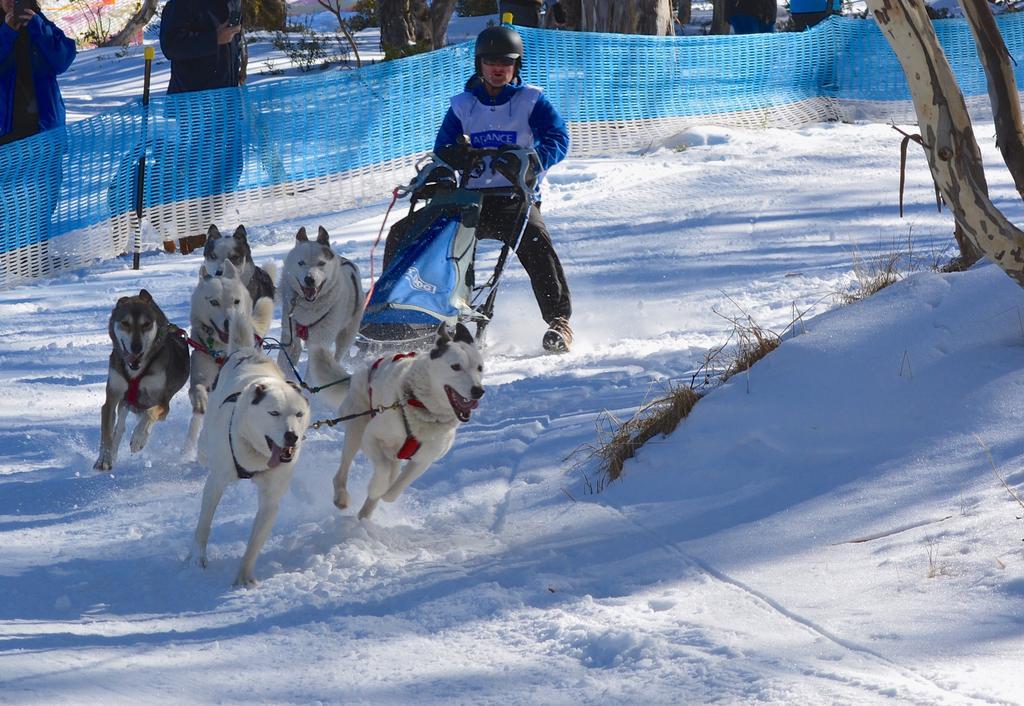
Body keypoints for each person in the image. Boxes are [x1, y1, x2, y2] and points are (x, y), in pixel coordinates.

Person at [385, 24, 574, 353]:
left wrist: (532, 161)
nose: (498, 69)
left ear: (516, 66)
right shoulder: (463, 105)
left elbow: (559, 138)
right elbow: (442, 150)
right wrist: (448, 164)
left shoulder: (531, 101)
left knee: (536, 241)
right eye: (490, 62)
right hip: (469, 200)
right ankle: (398, 314)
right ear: (479, 65)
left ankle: (559, 321)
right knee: (406, 233)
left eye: (506, 62)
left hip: (516, 198)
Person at [0, 0, 76, 146]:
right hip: (6, 133)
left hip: (46, 130)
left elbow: (63, 60)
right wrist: (6, 33)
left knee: (48, 169)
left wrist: (38, 27)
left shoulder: (41, 23)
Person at [159, 0, 243, 95]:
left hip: (228, 96)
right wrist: (214, 39)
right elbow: (170, 45)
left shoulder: (234, 2)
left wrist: (236, 70)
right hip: (190, 100)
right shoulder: (182, 3)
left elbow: (234, 41)